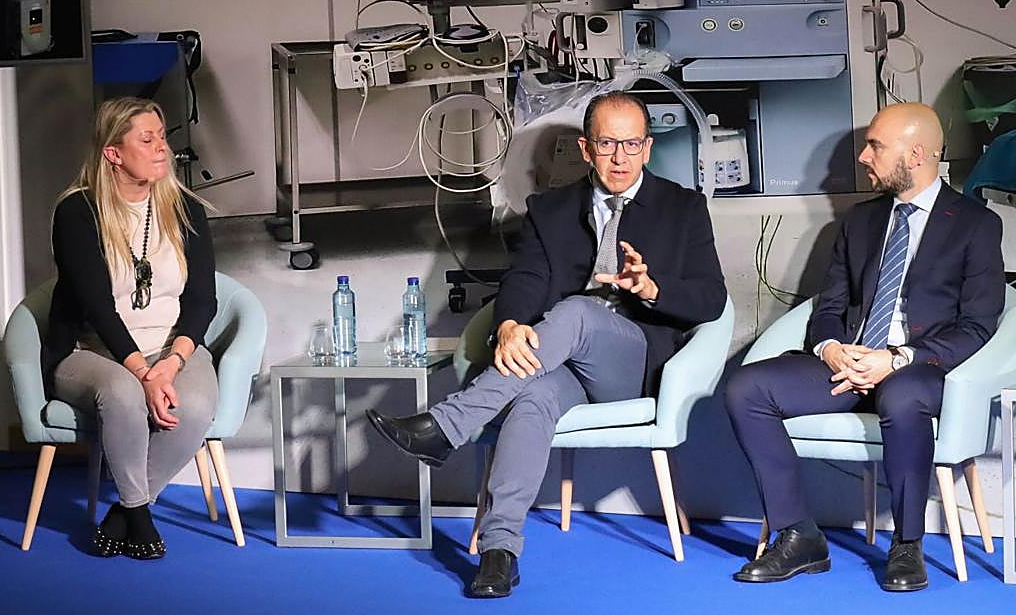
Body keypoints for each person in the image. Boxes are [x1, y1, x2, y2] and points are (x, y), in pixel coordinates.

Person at [367, 90, 727, 598]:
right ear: (585, 149)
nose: (619, 157)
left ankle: (446, 425)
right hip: (558, 362)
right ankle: (499, 553)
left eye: (630, 145)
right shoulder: (550, 209)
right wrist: (510, 323)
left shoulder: (683, 208)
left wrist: (652, 288)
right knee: (532, 400)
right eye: (606, 144)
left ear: (648, 148)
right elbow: (526, 278)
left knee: (578, 312)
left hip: (633, 362)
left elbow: (711, 298)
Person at [725, 102, 1005, 592]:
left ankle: (907, 544)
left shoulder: (976, 225)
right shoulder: (861, 222)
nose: (862, 156)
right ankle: (798, 535)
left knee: (902, 395)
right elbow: (828, 304)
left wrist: (896, 359)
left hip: (918, 369)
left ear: (916, 154)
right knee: (747, 387)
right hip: (848, 363)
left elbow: (978, 326)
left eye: (875, 145)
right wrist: (831, 347)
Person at [45, 97, 219, 559]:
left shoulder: (186, 211)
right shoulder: (77, 213)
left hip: (171, 346)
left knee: (198, 406)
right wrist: (145, 373)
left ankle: (125, 508)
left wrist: (172, 363)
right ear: (113, 154)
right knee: (122, 395)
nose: (162, 147)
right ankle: (139, 515)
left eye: (162, 136)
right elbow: (97, 308)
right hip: (92, 350)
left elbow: (204, 301)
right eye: (147, 139)